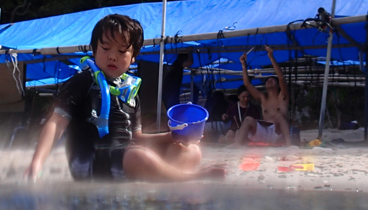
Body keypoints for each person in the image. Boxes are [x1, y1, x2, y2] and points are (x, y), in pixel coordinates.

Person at [25, 14, 225, 182]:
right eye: (105, 48)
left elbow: (136, 138)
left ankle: (164, 176)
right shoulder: (81, 82)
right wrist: (36, 164)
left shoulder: (129, 91)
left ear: (133, 56)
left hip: (125, 157)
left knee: (190, 151)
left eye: (121, 51)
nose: (113, 56)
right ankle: (186, 179)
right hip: (89, 162)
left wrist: (173, 137)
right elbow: (56, 123)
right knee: (137, 155)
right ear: (93, 49)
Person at [229, 45, 292, 146]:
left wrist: (271, 57)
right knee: (248, 119)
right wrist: (243, 65)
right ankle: (237, 144)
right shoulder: (263, 98)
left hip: (277, 132)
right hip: (263, 133)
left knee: (279, 116)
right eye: (267, 80)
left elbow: (281, 77)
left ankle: (289, 144)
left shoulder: (282, 96)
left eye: (272, 80)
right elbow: (247, 84)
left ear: (278, 85)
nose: (269, 80)